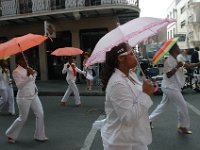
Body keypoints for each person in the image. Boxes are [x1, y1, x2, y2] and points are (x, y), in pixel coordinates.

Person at [100, 42, 154, 150]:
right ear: (121, 58)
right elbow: (128, 118)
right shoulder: (117, 83)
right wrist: (145, 94)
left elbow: (134, 102)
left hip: (134, 136)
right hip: (120, 142)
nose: (135, 55)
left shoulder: (131, 75)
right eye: (131, 52)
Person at [149, 43, 200, 134]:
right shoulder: (168, 60)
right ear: (173, 50)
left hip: (172, 86)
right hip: (170, 87)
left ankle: (149, 120)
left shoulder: (178, 58)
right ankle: (183, 126)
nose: (179, 48)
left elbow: (187, 66)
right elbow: (168, 75)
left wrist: (198, 64)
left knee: (163, 106)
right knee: (183, 106)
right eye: (177, 47)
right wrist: (177, 67)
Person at [5, 53, 48, 143]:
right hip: (23, 98)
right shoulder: (16, 71)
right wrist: (29, 76)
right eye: (23, 59)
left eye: (26, 59)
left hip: (34, 95)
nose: (25, 61)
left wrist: (34, 73)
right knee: (23, 118)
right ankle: (11, 134)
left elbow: (32, 80)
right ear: (18, 61)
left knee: (40, 114)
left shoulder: (28, 68)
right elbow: (19, 86)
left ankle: (39, 136)